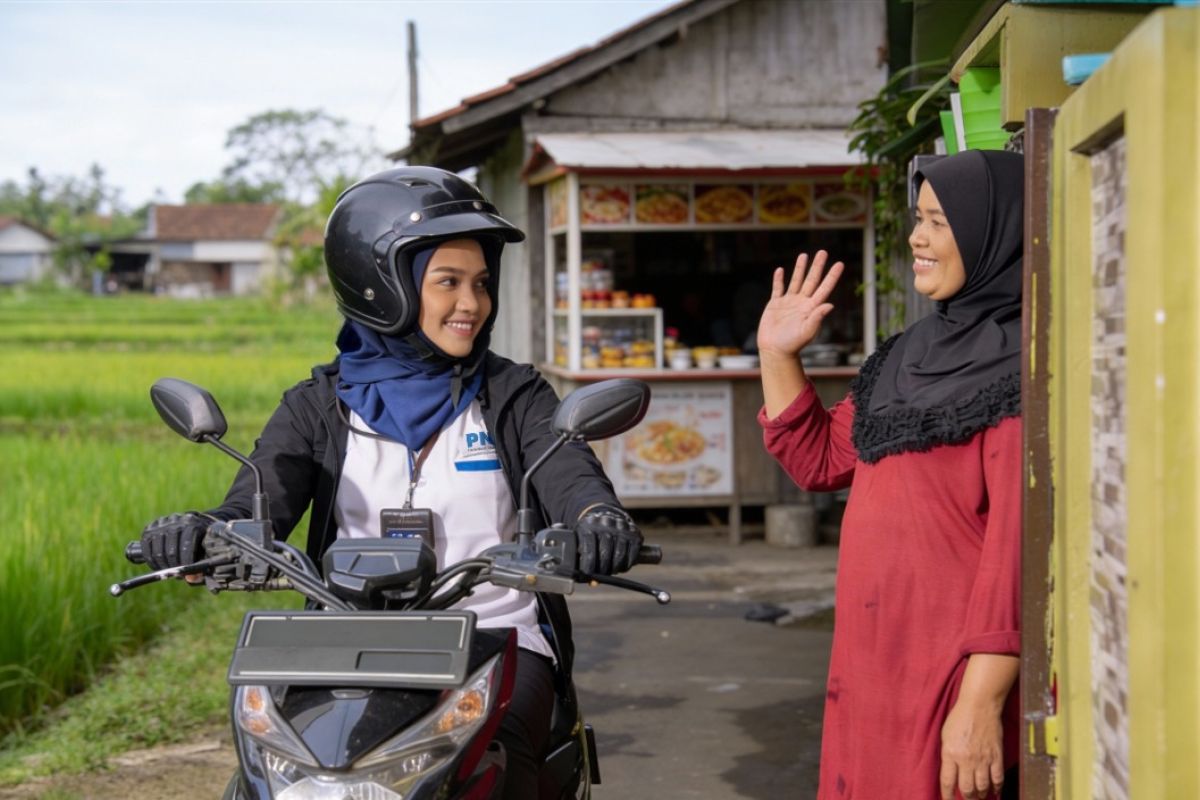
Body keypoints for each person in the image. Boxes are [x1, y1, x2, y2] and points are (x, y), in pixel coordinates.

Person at [138, 166, 645, 799]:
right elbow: (256, 503)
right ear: (382, 286)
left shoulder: (514, 395)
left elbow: (570, 473)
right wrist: (199, 533)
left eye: (482, 284)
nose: (472, 304)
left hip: (496, 638)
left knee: (500, 768)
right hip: (341, 650)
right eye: (448, 282)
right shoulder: (318, 406)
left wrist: (598, 519)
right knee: (266, 776)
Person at [755, 150, 1024, 800]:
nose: (917, 238)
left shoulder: (1024, 366)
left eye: (938, 220)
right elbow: (821, 460)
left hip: (952, 669)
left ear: (995, 233)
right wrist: (775, 352)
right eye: (917, 218)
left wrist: (981, 702)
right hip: (873, 659)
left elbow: (1017, 552)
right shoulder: (907, 353)